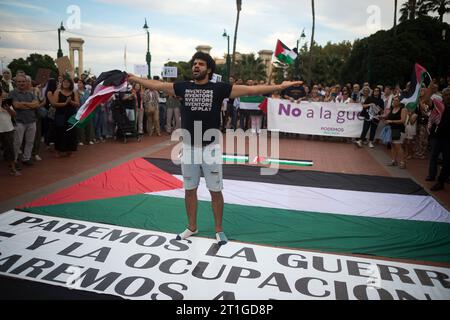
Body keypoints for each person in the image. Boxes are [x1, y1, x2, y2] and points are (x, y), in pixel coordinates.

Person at [128, 51, 301, 245]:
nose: (196, 66)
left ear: (209, 69)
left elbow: (250, 90)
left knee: (215, 190)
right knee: (189, 189)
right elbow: (158, 85)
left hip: (210, 148)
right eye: (194, 63)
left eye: (201, 64)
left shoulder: (219, 89)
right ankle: (192, 227)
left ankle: (219, 229)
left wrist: (279, 86)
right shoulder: (182, 87)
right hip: (188, 148)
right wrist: (134, 78)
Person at [10, 75, 39, 166]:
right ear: (16, 83)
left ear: (26, 82)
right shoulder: (13, 93)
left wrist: (23, 104)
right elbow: (16, 105)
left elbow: (36, 104)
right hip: (19, 121)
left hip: (31, 120)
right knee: (17, 142)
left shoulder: (30, 93)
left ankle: (26, 158)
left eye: (23, 81)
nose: (21, 83)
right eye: (19, 82)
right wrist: (30, 105)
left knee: (30, 141)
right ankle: (14, 160)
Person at [48, 77, 79, 157]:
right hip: (60, 114)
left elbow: (77, 104)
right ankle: (58, 150)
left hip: (71, 114)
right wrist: (65, 103)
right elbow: (54, 104)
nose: (65, 83)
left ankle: (70, 150)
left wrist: (70, 101)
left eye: (68, 82)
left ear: (70, 84)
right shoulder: (58, 91)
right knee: (59, 131)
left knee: (71, 132)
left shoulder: (73, 92)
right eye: (64, 82)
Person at [429, 89, 450, 191]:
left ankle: (441, 181)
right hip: (438, 137)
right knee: (434, 156)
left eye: (449, 94)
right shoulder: (442, 107)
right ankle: (432, 175)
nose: (447, 96)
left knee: (447, 161)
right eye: (445, 94)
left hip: (448, 139)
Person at [0, 86, 20, 176]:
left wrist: (8, 108)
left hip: (7, 128)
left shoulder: (6, 102)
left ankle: (13, 168)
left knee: (9, 149)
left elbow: (14, 114)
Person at [385, 96, 407, 168]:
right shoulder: (392, 109)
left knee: (398, 146)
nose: (394, 101)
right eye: (393, 100)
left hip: (399, 130)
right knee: (393, 145)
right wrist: (381, 116)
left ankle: (403, 162)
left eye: (396, 100)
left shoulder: (403, 109)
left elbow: (402, 120)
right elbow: (387, 117)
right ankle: (393, 161)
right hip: (392, 130)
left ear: (400, 102)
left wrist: (391, 121)